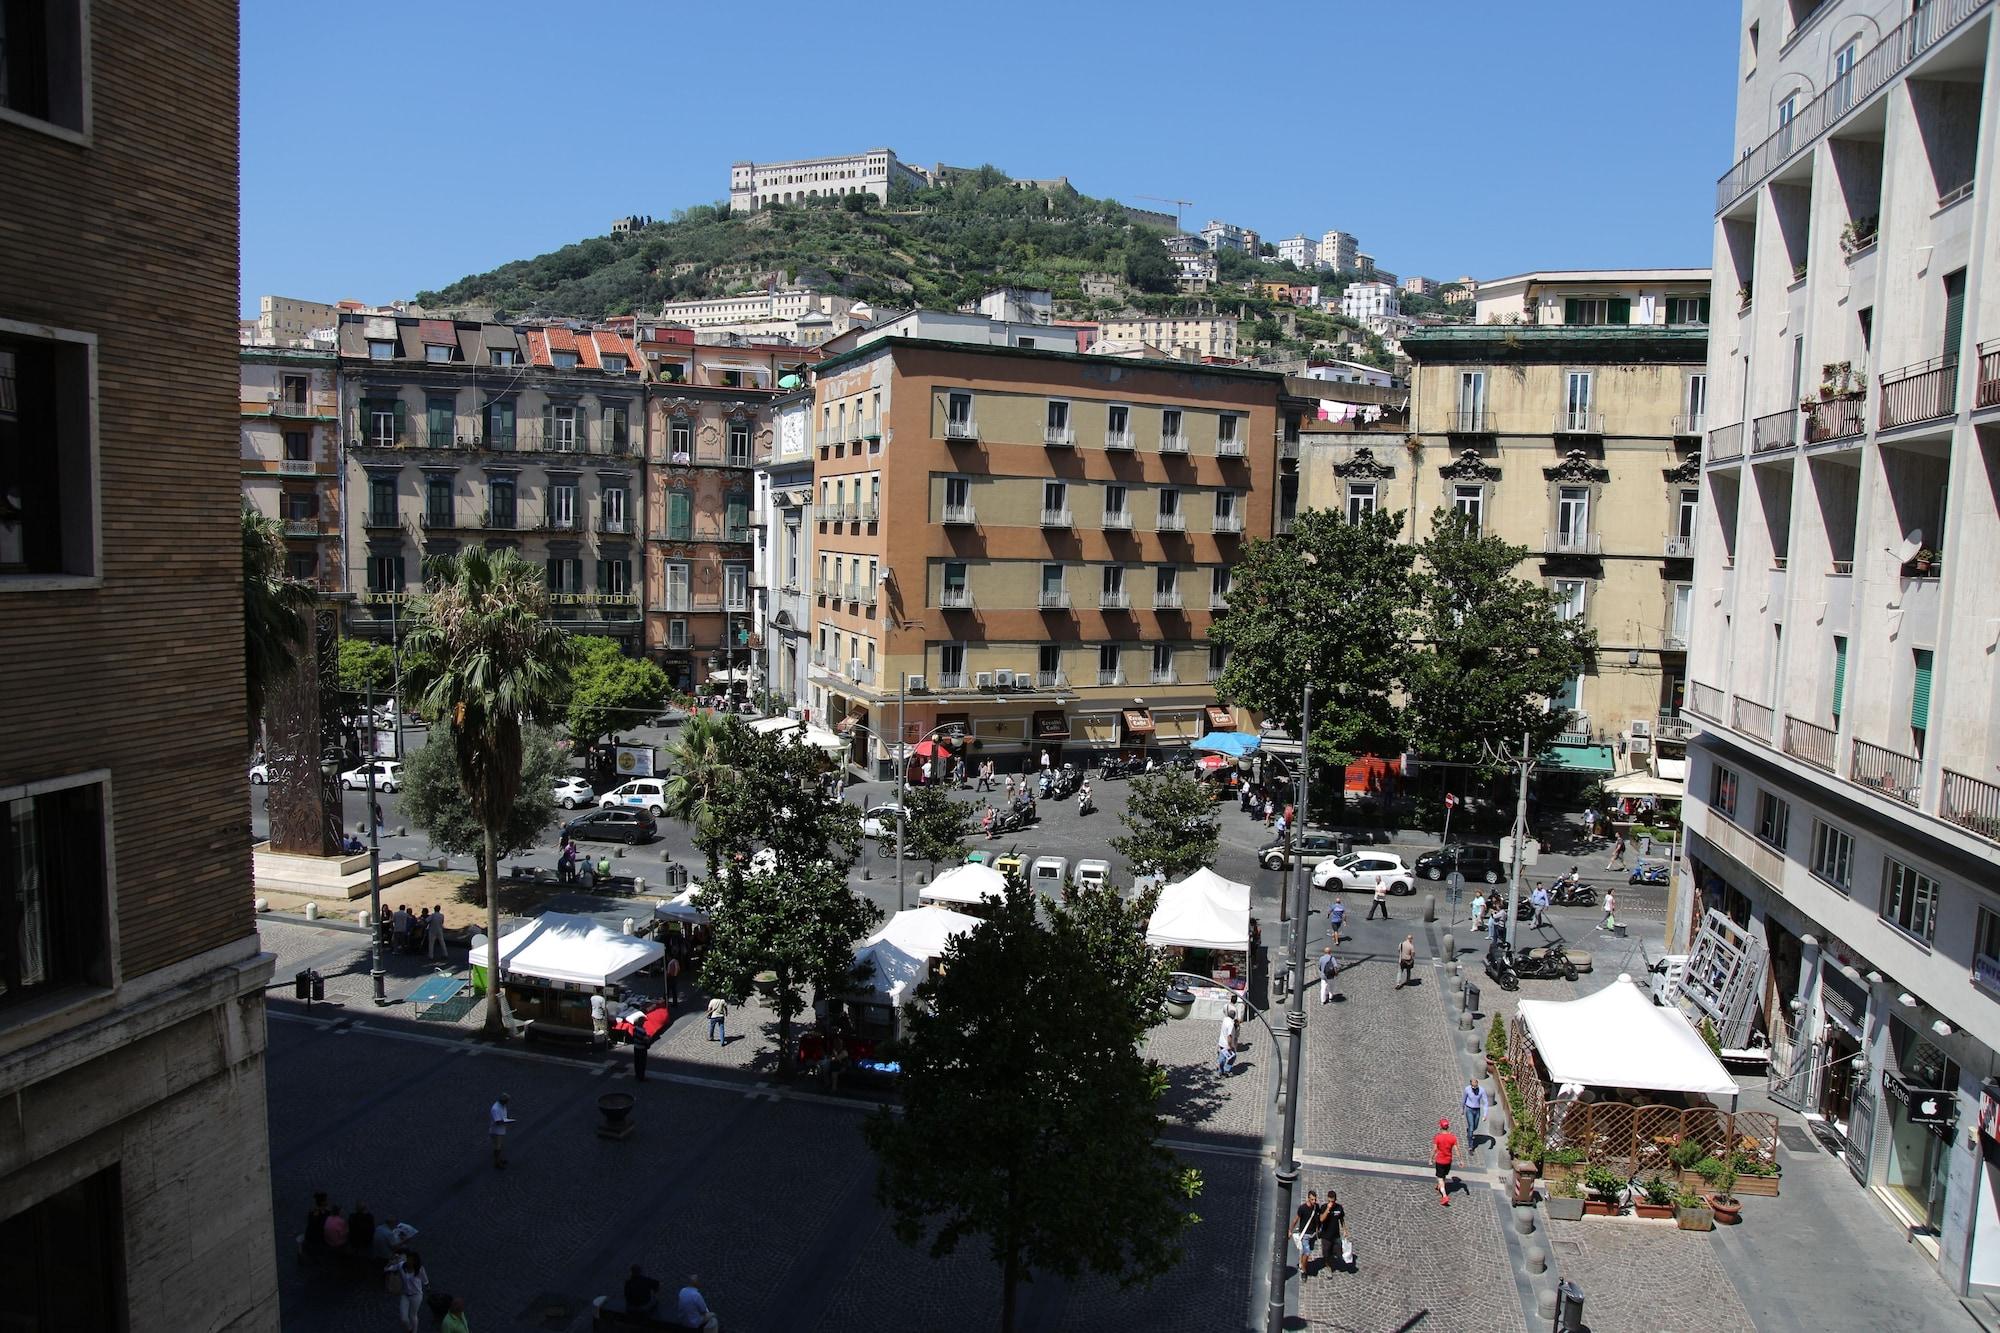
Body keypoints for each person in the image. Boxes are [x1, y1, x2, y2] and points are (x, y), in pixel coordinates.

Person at [387, 1250, 428, 1333]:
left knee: (413, 1315)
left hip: (416, 1295)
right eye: (408, 1259)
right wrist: (391, 1262)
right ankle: (409, 1329)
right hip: (405, 1295)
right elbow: (387, 1269)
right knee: (403, 1318)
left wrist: (427, 1286)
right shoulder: (401, 1266)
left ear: (415, 1261)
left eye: (411, 1260)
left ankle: (414, 1331)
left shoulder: (419, 1269)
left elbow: (425, 1280)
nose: (409, 1261)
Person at [1293, 1189, 1324, 1278]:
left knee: (1306, 1251)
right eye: (1312, 1199)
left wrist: (1318, 1230)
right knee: (1307, 1252)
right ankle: (1304, 1271)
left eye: (1315, 1199)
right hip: (1305, 1234)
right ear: (1308, 1199)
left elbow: (1318, 1220)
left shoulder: (1316, 1207)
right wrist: (1290, 1230)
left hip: (1313, 1234)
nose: (1314, 1201)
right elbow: (1296, 1219)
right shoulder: (1302, 1208)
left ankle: (1301, 1263)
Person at [1319, 1191, 1349, 1271]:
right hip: (1326, 1235)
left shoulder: (1339, 1208)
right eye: (1329, 1201)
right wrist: (1328, 1209)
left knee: (1338, 1252)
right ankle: (1329, 1267)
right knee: (1326, 1253)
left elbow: (1341, 1219)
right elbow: (1321, 1219)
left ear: (1335, 1200)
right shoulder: (1324, 1207)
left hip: (1336, 1234)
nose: (1331, 1203)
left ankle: (1332, 1260)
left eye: (1332, 1201)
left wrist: (1345, 1230)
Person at [1431, 1117, 1459, 1206]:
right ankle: (1439, 1185)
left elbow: (1434, 1149)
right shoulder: (1452, 1137)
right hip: (1448, 1161)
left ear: (1440, 1127)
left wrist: (1430, 1158)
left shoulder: (1438, 1137)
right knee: (1443, 1175)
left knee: (1440, 1177)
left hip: (1440, 1160)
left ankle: (1444, 1196)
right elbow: (1456, 1150)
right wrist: (1461, 1160)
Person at [300, 1191, 332, 1263]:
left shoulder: (312, 1212)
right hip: (319, 1238)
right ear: (323, 1202)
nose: (328, 1201)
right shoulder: (326, 1213)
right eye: (326, 1200)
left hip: (311, 1237)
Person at [1462, 1080, 1490, 1145]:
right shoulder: (1467, 1089)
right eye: (1473, 1087)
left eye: (1476, 1086)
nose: (1474, 1088)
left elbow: (1486, 1102)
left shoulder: (1482, 1090)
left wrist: (1485, 1115)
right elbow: (1464, 1099)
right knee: (1471, 1126)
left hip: (1477, 1110)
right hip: (1469, 1109)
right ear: (1470, 1085)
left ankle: (1469, 1132)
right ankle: (1471, 1145)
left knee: (1475, 1126)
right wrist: (1462, 1109)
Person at [489, 1093, 513, 1168]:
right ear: (503, 1101)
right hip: (496, 1131)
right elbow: (498, 1122)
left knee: (500, 1146)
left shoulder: (502, 1105)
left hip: (500, 1130)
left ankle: (500, 1159)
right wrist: (509, 1121)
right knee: (498, 1147)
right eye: (507, 1101)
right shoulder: (495, 1109)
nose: (507, 1103)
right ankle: (497, 1163)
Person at [1217, 1007, 1238, 1076]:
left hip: (1221, 1041)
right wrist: (1229, 1045)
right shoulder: (1230, 1024)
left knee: (1222, 1056)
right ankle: (1225, 1070)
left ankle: (1220, 1070)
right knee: (1232, 1056)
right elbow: (1229, 1036)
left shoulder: (1225, 1019)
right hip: (1226, 1044)